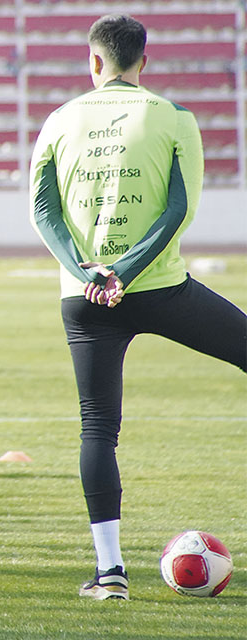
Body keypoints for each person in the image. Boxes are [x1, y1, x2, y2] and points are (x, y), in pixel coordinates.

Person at [29, 14, 246, 601]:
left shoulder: (58, 120)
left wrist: (89, 272)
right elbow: (178, 211)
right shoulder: (174, 118)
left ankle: (110, 574)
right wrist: (126, 270)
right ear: (143, 62)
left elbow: (43, 213)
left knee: (98, 429)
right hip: (161, 288)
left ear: (93, 61)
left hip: (86, 298)